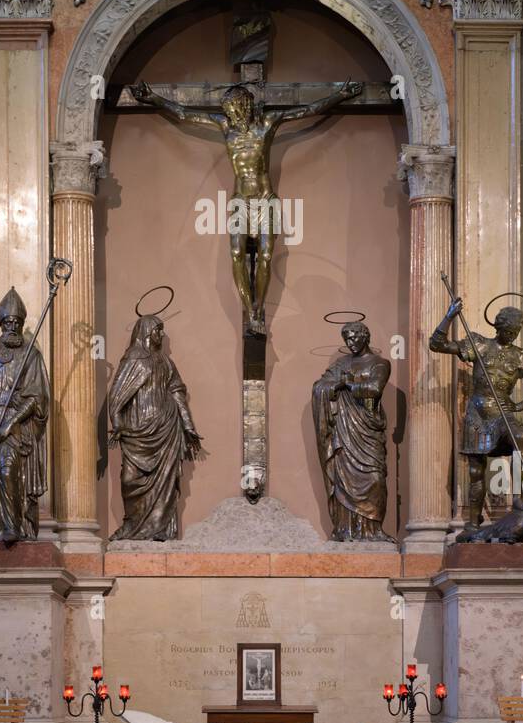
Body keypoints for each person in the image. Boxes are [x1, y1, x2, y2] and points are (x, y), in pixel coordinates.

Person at [131, 77, 361, 333]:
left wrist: (340, 95)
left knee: (264, 255)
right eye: (229, 109)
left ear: (247, 105)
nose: (232, 113)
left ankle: (257, 310)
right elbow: (184, 113)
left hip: (265, 200)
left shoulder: (266, 125)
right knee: (237, 254)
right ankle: (250, 310)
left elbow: (306, 110)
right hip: (240, 201)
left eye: (236, 108)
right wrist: (154, 98)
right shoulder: (225, 126)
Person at [429, 298, 523, 532]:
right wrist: (449, 316)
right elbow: (437, 344)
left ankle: (518, 498)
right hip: (478, 414)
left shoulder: (521, 356)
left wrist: (518, 406)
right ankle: (474, 522)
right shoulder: (480, 345)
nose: (512, 336)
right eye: (508, 331)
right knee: (476, 469)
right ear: (498, 328)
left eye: (516, 332)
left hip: (503, 412)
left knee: (520, 438)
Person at [108, 314, 201, 541]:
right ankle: (131, 525)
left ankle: (160, 529)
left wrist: (188, 426)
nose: (161, 335)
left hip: (166, 429)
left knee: (166, 482)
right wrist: (118, 424)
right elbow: (117, 395)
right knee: (129, 480)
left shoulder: (166, 363)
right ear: (147, 331)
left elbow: (177, 392)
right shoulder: (132, 359)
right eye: (158, 330)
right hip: (138, 432)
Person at [0, 287, 49, 544]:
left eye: (16, 322)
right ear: (1, 323)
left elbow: (36, 398)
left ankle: (11, 526)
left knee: (8, 469)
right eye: (7, 322)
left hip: (16, 425)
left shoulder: (31, 357)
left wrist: (10, 424)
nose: (12, 326)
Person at [312, 320, 392, 541]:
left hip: (367, 431)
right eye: (346, 339)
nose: (351, 342)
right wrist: (334, 385)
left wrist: (346, 384)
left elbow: (375, 389)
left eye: (355, 337)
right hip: (345, 432)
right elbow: (320, 386)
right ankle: (347, 530)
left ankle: (373, 530)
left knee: (375, 478)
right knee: (344, 480)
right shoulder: (340, 364)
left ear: (366, 336)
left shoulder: (380, 363)